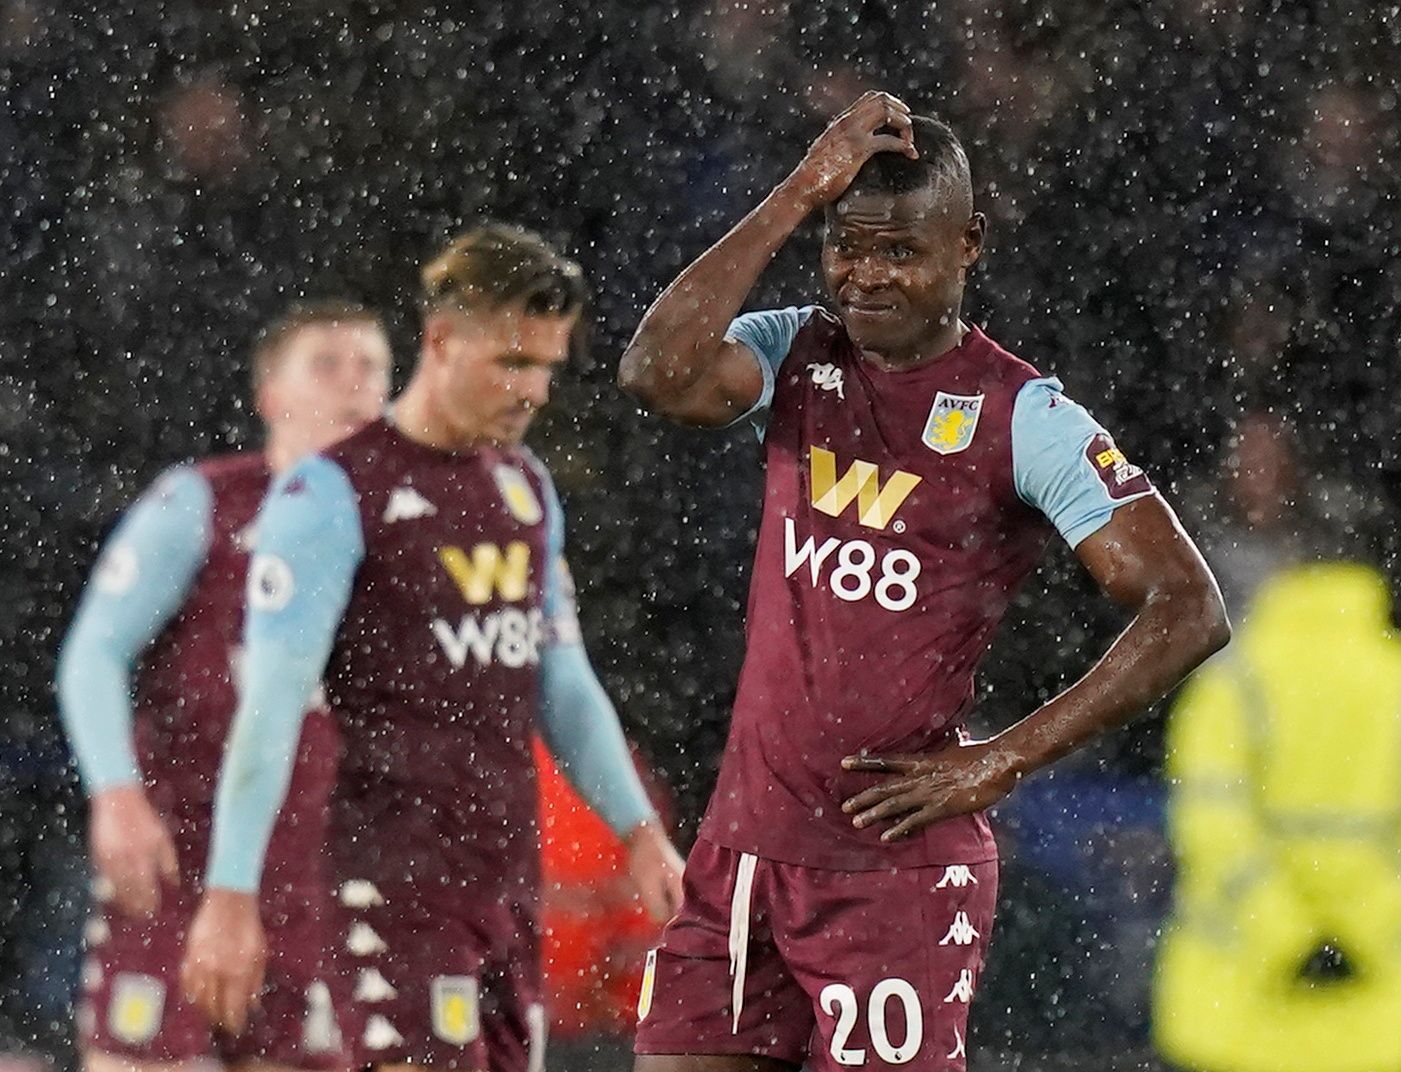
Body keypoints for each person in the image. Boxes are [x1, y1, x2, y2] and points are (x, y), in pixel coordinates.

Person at [617, 92, 1229, 1071]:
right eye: (846, 244)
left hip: (888, 878)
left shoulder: (1021, 414)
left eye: (899, 250)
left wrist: (1002, 760)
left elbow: (1188, 607)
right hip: (740, 859)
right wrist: (795, 192)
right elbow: (654, 370)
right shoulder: (793, 349)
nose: (864, 275)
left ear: (968, 245)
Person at [181, 224, 686, 1072]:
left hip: (506, 877)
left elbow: (560, 682)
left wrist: (638, 832)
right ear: (441, 340)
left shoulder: (523, 487)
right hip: (390, 878)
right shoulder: (328, 494)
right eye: (511, 362)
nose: (531, 391)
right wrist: (229, 894)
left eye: (547, 368)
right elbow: (269, 710)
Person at [57, 300, 394, 1072]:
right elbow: (93, 654)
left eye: (372, 366)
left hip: (325, 875)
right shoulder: (203, 502)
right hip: (181, 858)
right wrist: (113, 793)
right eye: (328, 364)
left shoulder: (405, 524)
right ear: (270, 393)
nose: (355, 385)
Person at [1154, 558, 1401, 1072]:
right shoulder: (1390, 678)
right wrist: (1366, 931)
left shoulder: (1236, 680)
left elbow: (1210, 825)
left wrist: (1286, 935)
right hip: (1378, 1005)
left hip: (1240, 1001)